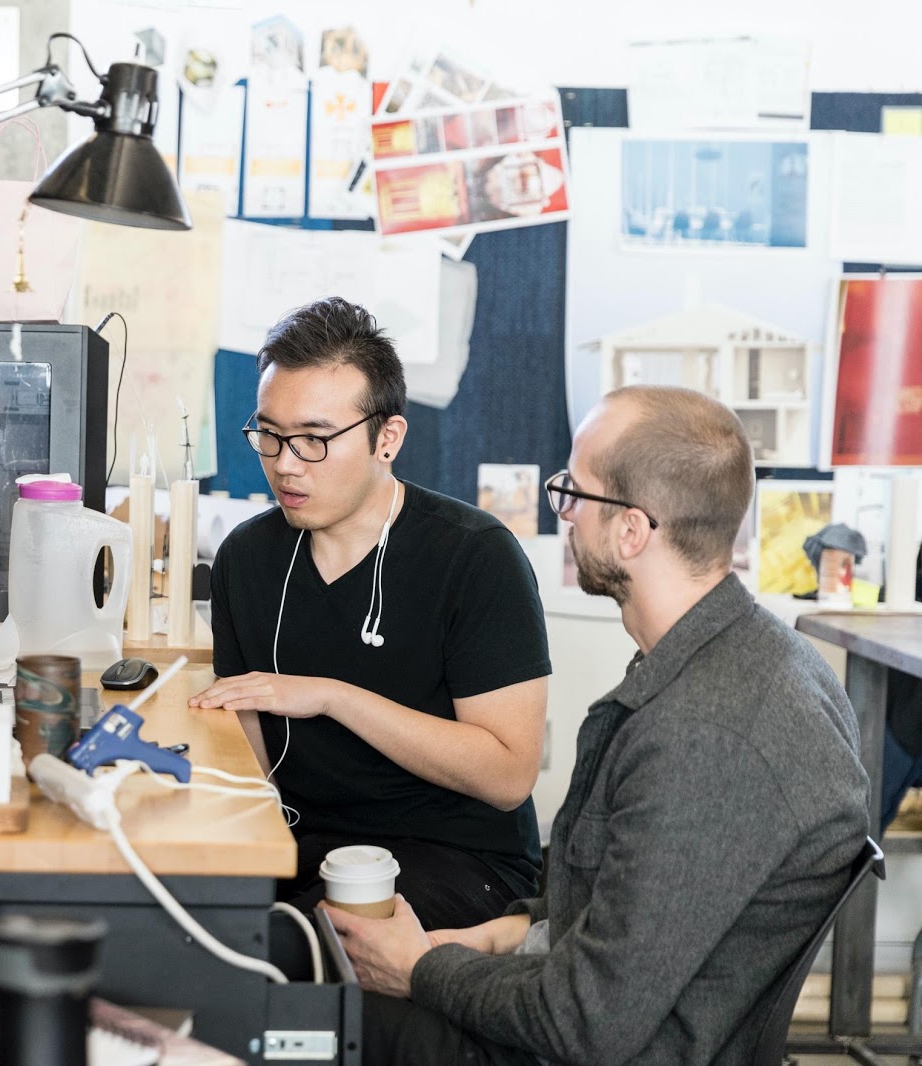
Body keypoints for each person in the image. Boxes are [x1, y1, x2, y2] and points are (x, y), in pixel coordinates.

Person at [322, 385, 869, 1065]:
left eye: (574, 492)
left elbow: (590, 1024)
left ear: (631, 531)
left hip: (597, 1048)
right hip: (607, 1014)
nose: (567, 513)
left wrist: (421, 971)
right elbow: (629, 921)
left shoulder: (708, 734)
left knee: (323, 1020)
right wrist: (503, 933)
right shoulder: (745, 662)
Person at [189, 297, 550, 932]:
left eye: (315, 439)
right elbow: (249, 753)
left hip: (457, 859)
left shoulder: (474, 555)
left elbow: (508, 775)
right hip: (303, 849)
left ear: (387, 438)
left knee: (290, 951)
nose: (285, 463)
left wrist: (333, 697)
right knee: (175, 928)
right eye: (269, 434)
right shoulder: (246, 558)